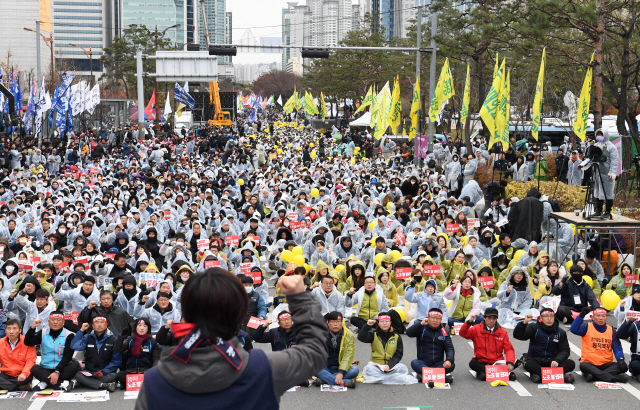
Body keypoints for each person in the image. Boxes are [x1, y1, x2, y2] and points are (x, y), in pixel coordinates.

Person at [135, 269, 327, 410]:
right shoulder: (263, 368)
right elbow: (315, 352)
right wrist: (300, 297)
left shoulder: (154, 382)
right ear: (240, 314)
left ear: (186, 313)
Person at [513, 308, 575, 383]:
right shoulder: (534, 327)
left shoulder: (560, 332)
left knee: (571, 363)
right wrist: (524, 323)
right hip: (536, 359)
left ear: (554, 318)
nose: (549, 318)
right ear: (541, 318)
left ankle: (539, 376)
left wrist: (557, 360)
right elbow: (518, 336)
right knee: (528, 364)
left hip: (552, 361)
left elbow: (565, 350)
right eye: (546, 316)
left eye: (551, 316)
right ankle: (561, 377)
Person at [25, 311, 81, 391]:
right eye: (53, 320)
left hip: (62, 369)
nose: (55, 322)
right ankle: (62, 383)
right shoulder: (43, 333)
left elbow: (67, 356)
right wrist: (33, 328)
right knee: (34, 368)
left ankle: (46, 382)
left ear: (63, 322)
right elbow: (28, 342)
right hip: (46, 368)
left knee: (75, 366)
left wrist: (57, 372)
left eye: (58, 320)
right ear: (48, 322)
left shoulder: (69, 335)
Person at [570, 306, 628, 383]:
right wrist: (582, 315)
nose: (601, 318)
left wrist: (620, 359)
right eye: (598, 316)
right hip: (590, 363)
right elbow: (573, 329)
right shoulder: (587, 326)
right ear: (593, 317)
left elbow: (617, 347)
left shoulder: (611, 330)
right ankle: (613, 378)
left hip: (606, 364)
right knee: (583, 365)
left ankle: (593, 376)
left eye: (603, 316)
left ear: (606, 317)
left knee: (623, 367)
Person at [357, 312, 417, 384]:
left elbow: (398, 354)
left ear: (390, 322)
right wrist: (367, 326)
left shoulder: (396, 336)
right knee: (369, 369)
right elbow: (361, 337)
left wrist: (390, 366)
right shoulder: (374, 334)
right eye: (382, 321)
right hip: (376, 366)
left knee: (403, 368)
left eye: (387, 321)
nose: (384, 323)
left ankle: (380, 378)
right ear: (378, 323)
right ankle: (391, 378)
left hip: (391, 366)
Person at [459, 307, 517, 381]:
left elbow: (508, 349)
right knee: (473, 363)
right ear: (484, 318)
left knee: (512, 363)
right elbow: (463, 333)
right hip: (482, 361)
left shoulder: (503, 332)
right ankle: (502, 373)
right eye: (489, 318)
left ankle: (485, 374)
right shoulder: (476, 329)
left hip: (497, 362)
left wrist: (510, 362)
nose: (491, 321)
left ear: (496, 319)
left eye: (494, 318)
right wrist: (470, 321)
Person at [71, 316, 122, 392]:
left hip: (105, 373)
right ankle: (104, 385)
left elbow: (116, 361)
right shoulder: (87, 337)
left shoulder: (113, 339)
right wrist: (81, 330)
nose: (99, 325)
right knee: (78, 375)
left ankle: (87, 382)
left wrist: (104, 372)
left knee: (114, 376)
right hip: (90, 371)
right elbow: (74, 346)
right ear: (93, 325)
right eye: (96, 322)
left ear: (106, 325)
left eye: (102, 322)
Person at [406, 308, 455, 384]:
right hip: (423, 363)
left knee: (452, 365)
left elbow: (449, 348)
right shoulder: (422, 328)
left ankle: (425, 376)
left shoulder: (444, 331)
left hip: (438, 364)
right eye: (433, 318)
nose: (435, 320)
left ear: (441, 320)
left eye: (438, 318)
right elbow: (408, 333)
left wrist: (449, 360)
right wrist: (420, 324)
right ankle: (440, 376)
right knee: (414, 363)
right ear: (428, 318)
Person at [314, 311, 358, 387]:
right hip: (325, 367)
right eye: (333, 322)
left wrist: (340, 372)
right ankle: (342, 382)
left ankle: (325, 380)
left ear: (342, 322)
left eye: (338, 322)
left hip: (341, 367)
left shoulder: (349, 335)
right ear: (327, 322)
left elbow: (348, 355)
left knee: (354, 370)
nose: (335, 324)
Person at [114, 317, 160, 389]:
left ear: (148, 329)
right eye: (139, 326)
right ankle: (143, 384)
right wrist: (121, 336)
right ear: (135, 328)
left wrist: (154, 372)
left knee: (157, 376)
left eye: (144, 326)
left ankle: (134, 384)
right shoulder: (130, 340)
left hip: (146, 371)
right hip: (131, 371)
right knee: (120, 375)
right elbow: (117, 349)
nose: (142, 328)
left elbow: (156, 359)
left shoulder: (152, 342)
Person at [0, 318, 37, 391]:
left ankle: (7, 386)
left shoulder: (27, 342)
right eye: (9, 329)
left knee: (28, 376)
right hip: (6, 374)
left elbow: (31, 361)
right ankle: (19, 387)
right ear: (5, 330)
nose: (11, 331)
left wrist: (24, 373)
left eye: (14, 329)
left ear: (20, 330)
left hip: (22, 375)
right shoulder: (0, 343)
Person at [616, 315, 640, 382]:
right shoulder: (635, 325)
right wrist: (627, 324)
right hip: (638, 360)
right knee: (635, 365)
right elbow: (620, 335)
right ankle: (637, 374)